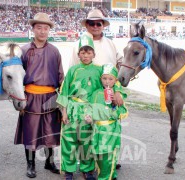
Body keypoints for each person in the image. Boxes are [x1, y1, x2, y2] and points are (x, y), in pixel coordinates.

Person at [70, 8, 125, 169]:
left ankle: (110, 160)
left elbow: (119, 68)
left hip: (108, 93)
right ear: (86, 25)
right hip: (86, 95)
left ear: (103, 25)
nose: (95, 26)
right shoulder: (78, 45)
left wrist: (117, 90)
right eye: (91, 23)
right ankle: (87, 163)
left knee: (109, 126)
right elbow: (72, 71)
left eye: (98, 23)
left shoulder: (111, 44)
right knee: (87, 129)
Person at [14, 12, 64, 178]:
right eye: (39, 28)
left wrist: (62, 102)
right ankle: (31, 165)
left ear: (49, 30)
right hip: (30, 97)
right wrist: (19, 100)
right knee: (31, 132)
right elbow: (16, 77)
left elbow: (61, 77)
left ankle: (50, 162)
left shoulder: (55, 51)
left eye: (46, 28)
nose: (43, 31)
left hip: (50, 97)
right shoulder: (23, 51)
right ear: (33, 29)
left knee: (50, 131)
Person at [57, 33, 101, 180]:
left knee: (87, 141)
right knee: (69, 140)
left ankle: (87, 169)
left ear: (94, 53)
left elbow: (104, 90)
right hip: (72, 109)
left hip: (89, 111)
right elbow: (64, 92)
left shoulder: (99, 71)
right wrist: (64, 112)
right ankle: (68, 170)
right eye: (83, 52)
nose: (86, 55)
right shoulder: (73, 70)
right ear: (78, 54)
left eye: (89, 52)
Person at [87, 64, 128, 180]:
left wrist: (114, 110)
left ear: (115, 80)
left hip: (110, 130)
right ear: (101, 79)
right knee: (98, 153)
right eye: (104, 78)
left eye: (110, 79)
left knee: (109, 154)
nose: (107, 82)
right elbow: (90, 107)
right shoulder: (96, 93)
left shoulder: (117, 95)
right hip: (97, 129)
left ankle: (107, 177)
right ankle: (105, 173)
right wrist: (89, 116)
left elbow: (123, 111)